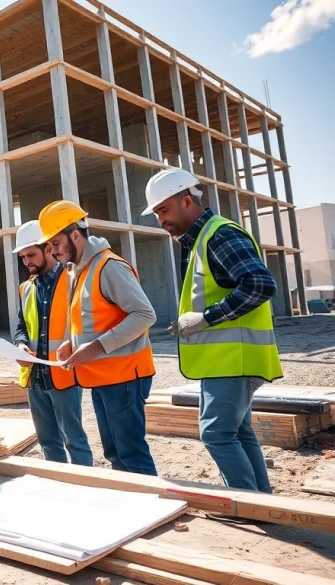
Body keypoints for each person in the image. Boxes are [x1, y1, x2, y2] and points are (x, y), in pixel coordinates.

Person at [145, 168, 281, 493]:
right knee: (239, 433)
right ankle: (261, 502)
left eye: (164, 210)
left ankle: (246, 503)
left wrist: (205, 318)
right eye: (157, 213)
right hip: (226, 361)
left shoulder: (218, 235)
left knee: (217, 434)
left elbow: (261, 284)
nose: (161, 220)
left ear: (186, 200)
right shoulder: (202, 240)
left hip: (234, 360)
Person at [38, 200, 158, 476]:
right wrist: (71, 343)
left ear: (75, 235)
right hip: (103, 376)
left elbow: (144, 315)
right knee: (115, 453)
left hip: (125, 377)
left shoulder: (109, 266)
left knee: (131, 453)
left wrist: (95, 348)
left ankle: (149, 500)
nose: (52, 251)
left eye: (56, 243)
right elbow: (91, 318)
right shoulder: (79, 270)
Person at [12, 220, 93, 466]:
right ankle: (57, 483)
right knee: (47, 441)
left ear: (48, 248)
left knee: (74, 440)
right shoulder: (26, 288)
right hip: (35, 377)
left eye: (31, 255)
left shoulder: (73, 279)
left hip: (64, 374)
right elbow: (21, 326)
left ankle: (85, 484)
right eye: (23, 257)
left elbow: (87, 322)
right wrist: (20, 345)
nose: (26, 262)